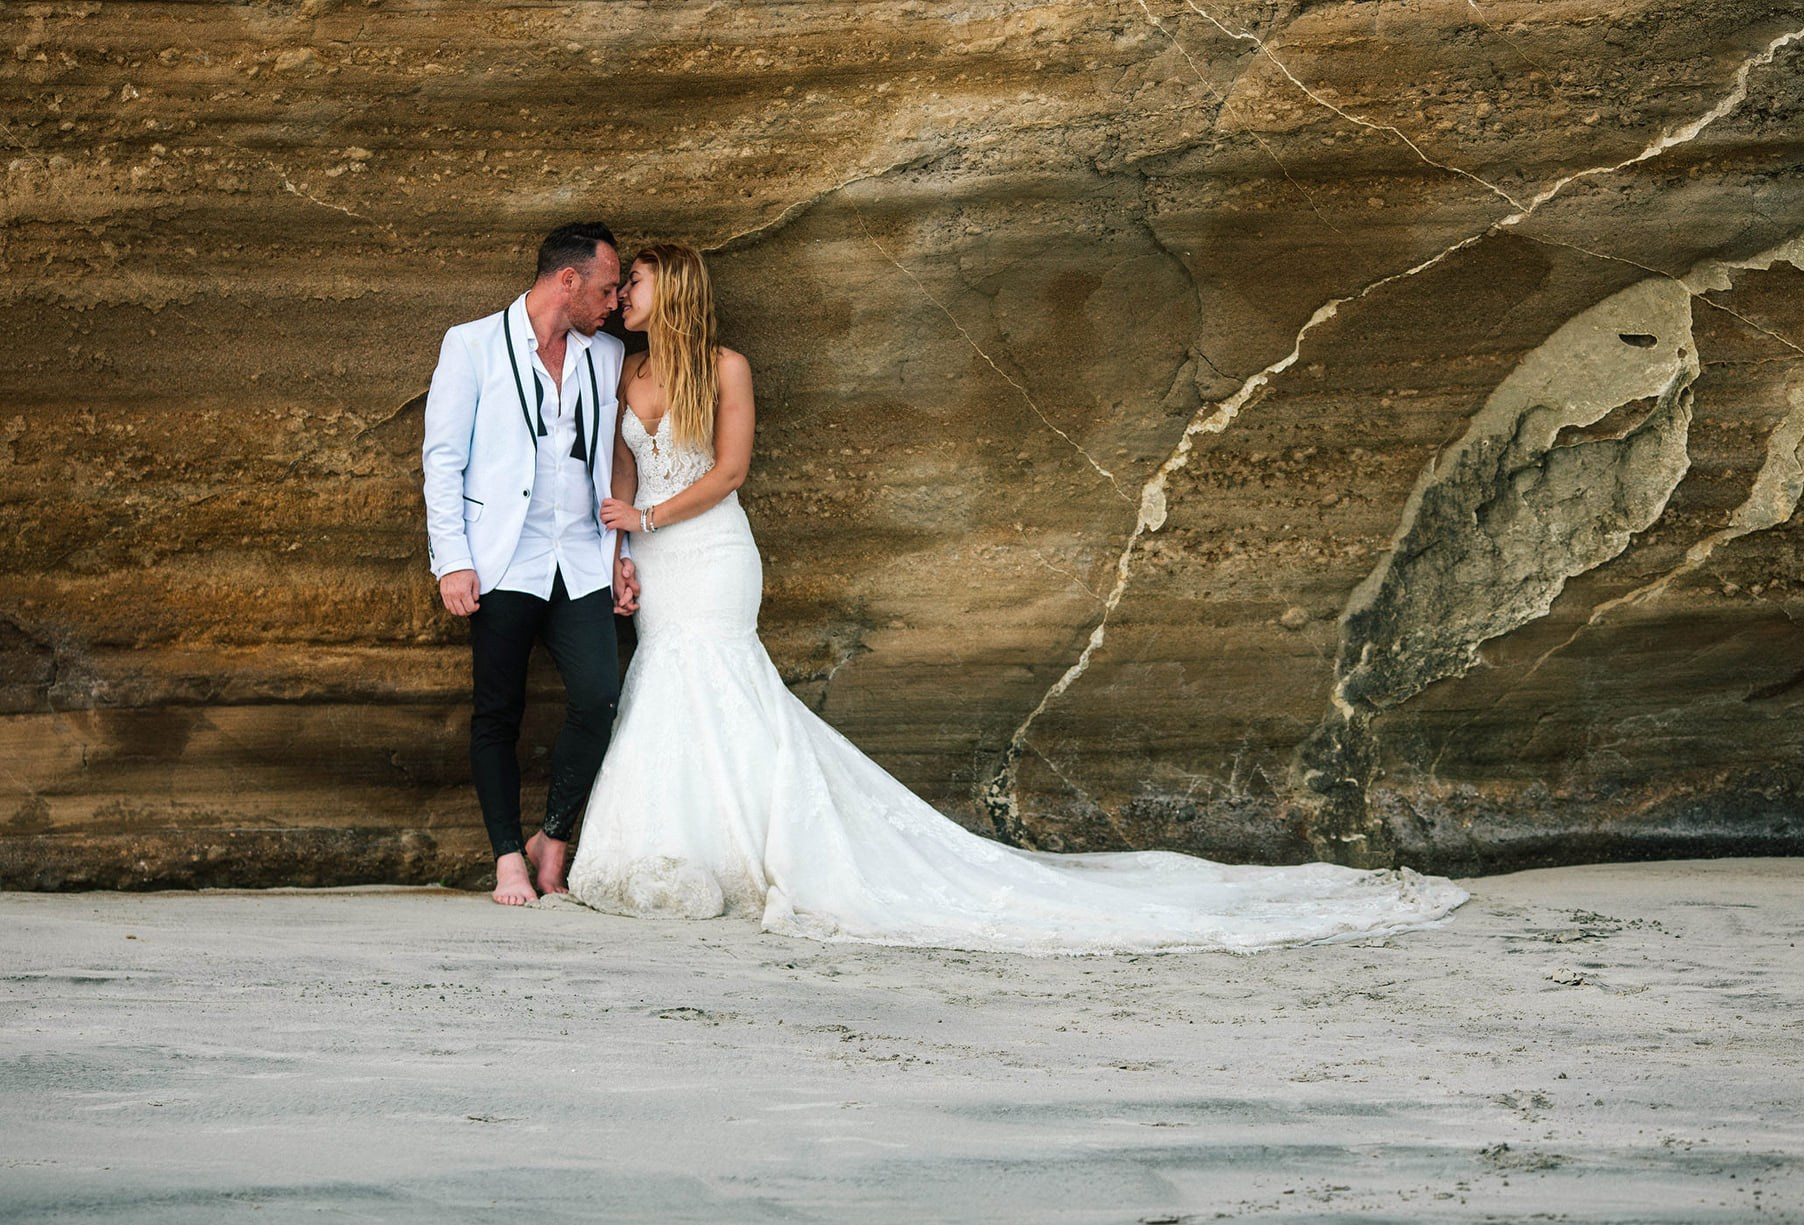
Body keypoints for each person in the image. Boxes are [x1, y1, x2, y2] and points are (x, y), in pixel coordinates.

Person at [566, 242, 1467, 953]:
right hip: (654, 557)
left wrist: (646, 516)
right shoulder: (625, 371)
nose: (623, 298)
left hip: (712, 552)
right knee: (668, 681)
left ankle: (761, 848)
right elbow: (618, 465)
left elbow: (729, 471)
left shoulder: (725, 366)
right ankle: (688, 847)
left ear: (673, 287)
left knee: (724, 683)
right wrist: (621, 546)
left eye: (635, 283)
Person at [422, 221, 637, 907]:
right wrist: (452, 561)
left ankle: (552, 836)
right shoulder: (472, 344)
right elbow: (443, 460)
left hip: (579, 554)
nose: (614, 304)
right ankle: (508, 857)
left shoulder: (605, 354)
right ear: (566, 280)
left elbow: (618, 461)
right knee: (497, 711)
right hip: (501, 557)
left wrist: (621, 553)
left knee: (599, 697)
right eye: (606, 289)